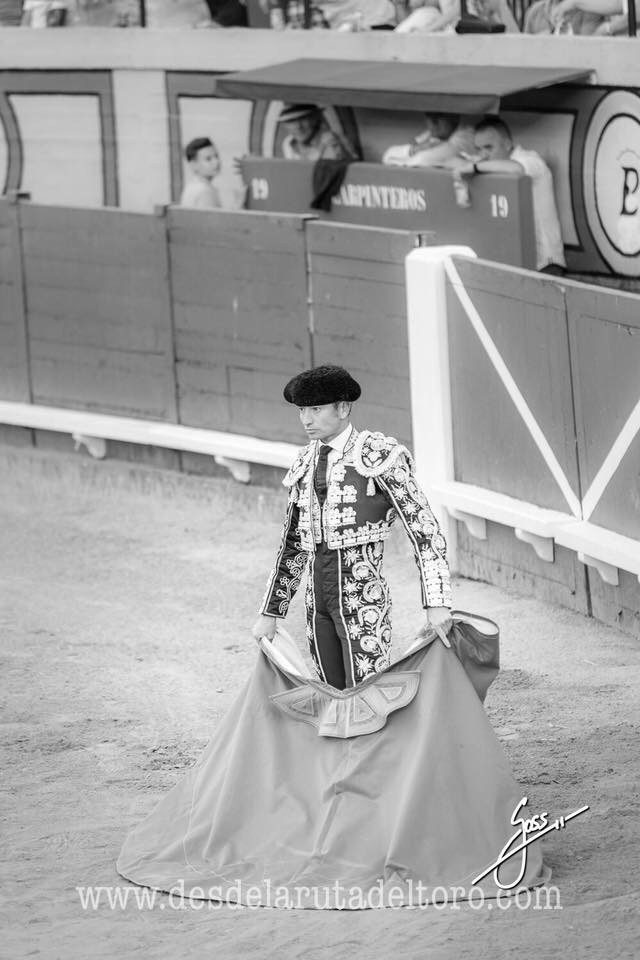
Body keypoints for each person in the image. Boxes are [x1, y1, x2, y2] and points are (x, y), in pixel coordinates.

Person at [251, 364, 452, 690]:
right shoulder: (304, 461)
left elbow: (425, 533)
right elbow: (293, 545)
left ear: (343, 408)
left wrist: (437, 603)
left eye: (316, 409)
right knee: (331, 692)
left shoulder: (379, 457)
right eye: (302, 410)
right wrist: (269, 613)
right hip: (317, 604)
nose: (306, 419)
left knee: (367, 693)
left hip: (362, 601)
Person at [451, 117, 566, 274]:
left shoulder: (531, 160)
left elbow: (516, 169)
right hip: (515, 260)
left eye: (488, 147)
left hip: (546, 264)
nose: (483, 154)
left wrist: (474, 167)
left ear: (507, 144)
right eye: (479, 149)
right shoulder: (489, 164)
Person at [382, 113, 475, 168]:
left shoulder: (465, 134)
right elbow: (387, 156)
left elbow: (423, 159)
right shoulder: (431, 134)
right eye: (430, 115)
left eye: (439, 115)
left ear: (454, 117)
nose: (433, 122)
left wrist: (402, 162)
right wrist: (415, 149)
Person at [278, 104, 355, 162]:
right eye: (291, 121)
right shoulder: (288, 143)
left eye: (303, 119)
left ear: (315, 118)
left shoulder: (335, 141)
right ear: (284, 125)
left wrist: (339, 150)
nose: (298, 126)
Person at [179, 137, 222, 209]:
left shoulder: (191, 187)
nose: (216, 162)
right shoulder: (205, 191)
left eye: (216, 156)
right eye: (208, 159)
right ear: (193, 165)